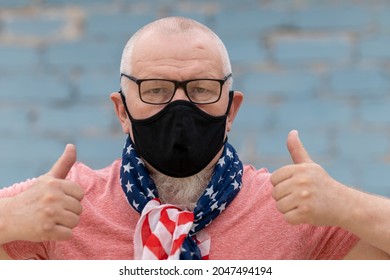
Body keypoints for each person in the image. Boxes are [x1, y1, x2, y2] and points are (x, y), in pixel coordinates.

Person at [0, 16, 389, 260]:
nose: (179, 107)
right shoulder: (64, 206)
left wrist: (346, 206)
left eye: (202, 89)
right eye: (155, 90)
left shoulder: (293, 211)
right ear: (122, 111)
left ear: (231, 110)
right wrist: (9, 220)